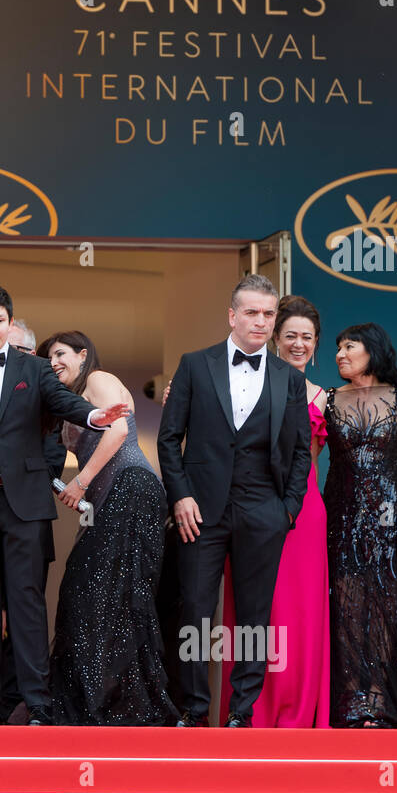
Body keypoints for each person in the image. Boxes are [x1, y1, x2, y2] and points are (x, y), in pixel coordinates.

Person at [0, 289, 129, 727]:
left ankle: (38, 705)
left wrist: (94, 417)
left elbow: (65, 403)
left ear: (10, 324)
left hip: (25, 501)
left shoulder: (36, 368)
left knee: (27, 603)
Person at [156, 274, 311, 727]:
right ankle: (193, 708)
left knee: (254, 618)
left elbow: (301, 451)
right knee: (196, 610)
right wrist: (180, 496)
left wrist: (287, 510)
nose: (261, 322)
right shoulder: (194, 365)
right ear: (232, 315)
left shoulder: (288, 378)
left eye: (268, 314)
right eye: (252, 313)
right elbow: (168, 439)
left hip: (264, 510)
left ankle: (241, 712)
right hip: (199, 511)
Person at [40, 329, 178, 725]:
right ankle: (101, 700)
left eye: (62, 354)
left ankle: (130, 703)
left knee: (121, 594)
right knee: (88, 594)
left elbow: (117, 431)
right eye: (49, 358)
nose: (55, 362)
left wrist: (79, 482)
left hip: (132, 488)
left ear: (83, 355)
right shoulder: (67, 407)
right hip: (104, 505)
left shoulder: (98, 379)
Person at [219, 295, 331, 728]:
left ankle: (299, 714)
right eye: (291, 336)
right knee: (255, 610)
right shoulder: (238, 384)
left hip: (304, 516)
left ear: (316, 344)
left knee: (301, 615)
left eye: (306, 337)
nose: (298, 344)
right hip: (249, 512)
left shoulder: (325, 398)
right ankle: (249, 710)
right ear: (274, 339)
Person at [324, 322, 397, 728]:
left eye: (349, 345)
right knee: (346, 606)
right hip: (340, 516)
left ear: (372, 349)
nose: (340, 353)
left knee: (388, 609)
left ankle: (377, 696)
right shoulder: (328, 399)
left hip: (392, 517)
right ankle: (354, 697)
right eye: (338, 347)